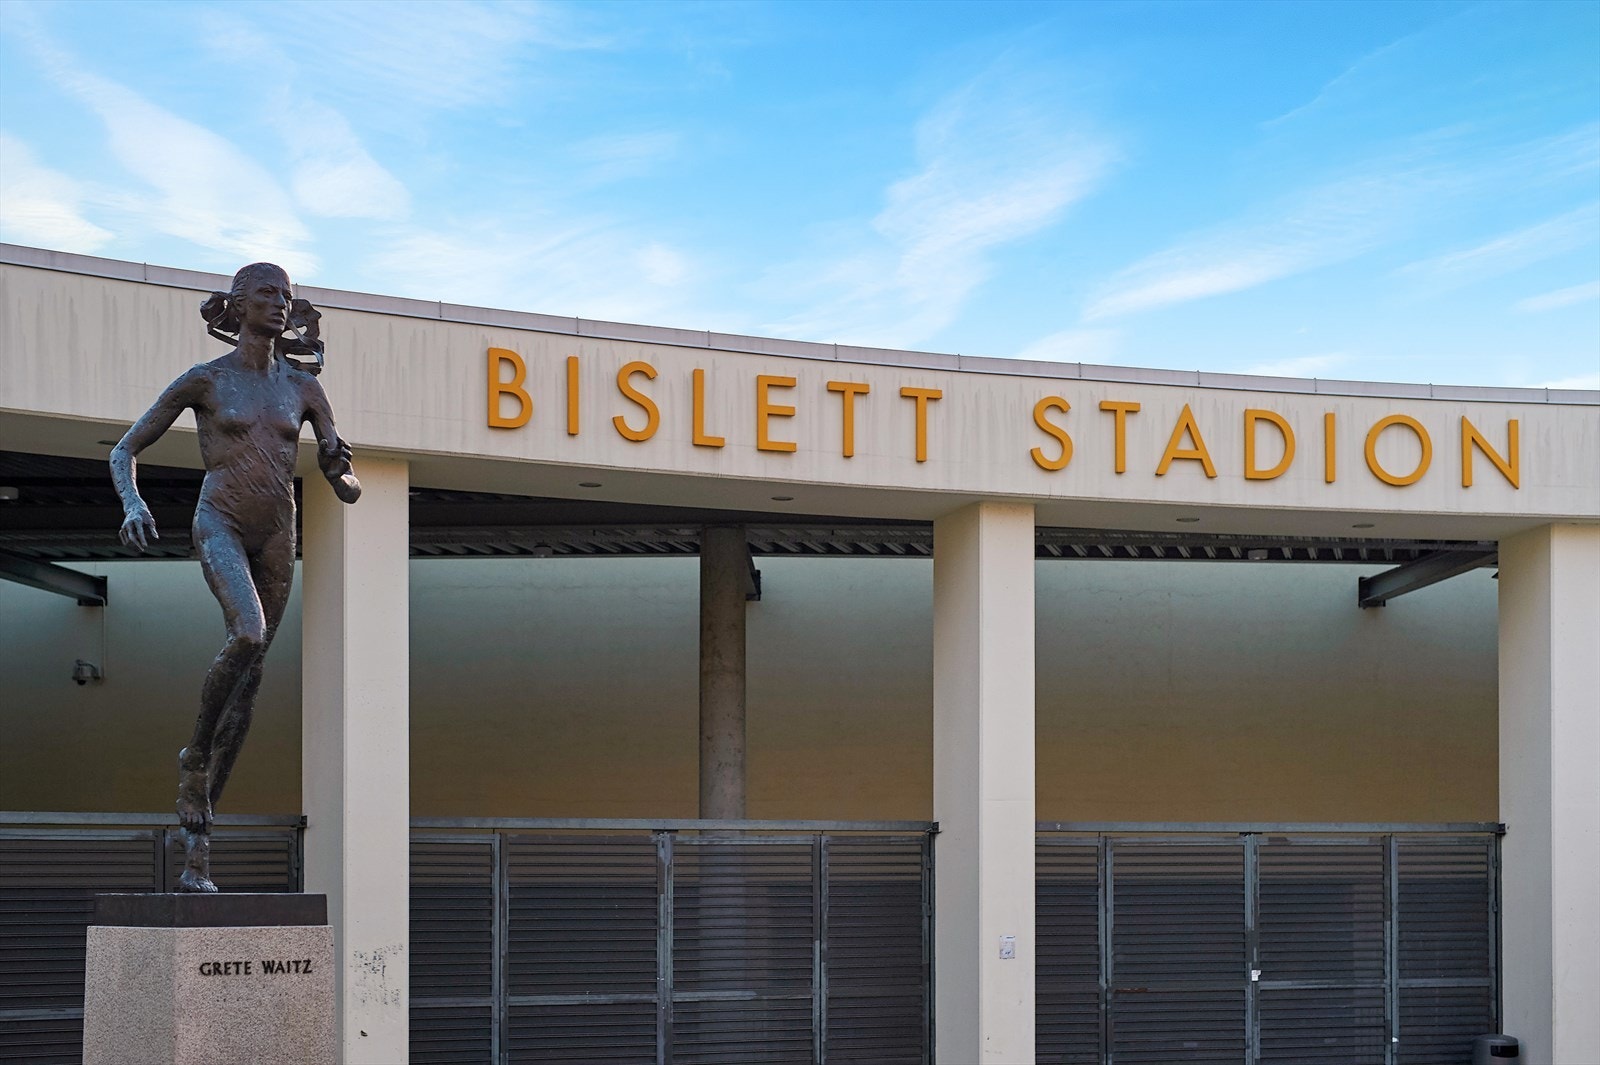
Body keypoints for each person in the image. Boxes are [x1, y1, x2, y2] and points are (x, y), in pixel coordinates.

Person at [110, 262, 361, 892]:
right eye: (266, 294)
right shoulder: (206, 380)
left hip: (279, 531)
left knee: (249, 686)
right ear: (238, 304)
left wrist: (341, 468)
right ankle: (194, 756)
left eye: (286, 296)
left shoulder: (302, 388)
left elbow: (347, 487)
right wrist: (134, 502)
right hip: (219, 520)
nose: (279, 304)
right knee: (246, 635)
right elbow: (124, 449)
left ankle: (198, 856)